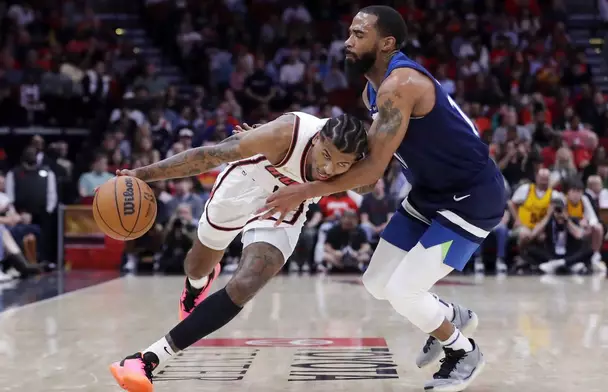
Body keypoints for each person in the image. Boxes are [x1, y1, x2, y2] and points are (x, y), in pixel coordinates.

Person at [259, 6, 505, 391]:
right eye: (350, 33)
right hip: (428, 193)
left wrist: (307, 190)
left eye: (359, 34)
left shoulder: (400, 86)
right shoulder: (372, 89)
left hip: (470, 198)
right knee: (377, 282)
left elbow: (372, 171)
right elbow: (369, 161)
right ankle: (447, 316)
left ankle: (463, 351)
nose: (348, 42)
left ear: (387, 42)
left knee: (403, 290)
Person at [109, 111, 369, 391]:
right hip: (243, 185)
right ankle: (198, 283)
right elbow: (209, 156)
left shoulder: (360, 167)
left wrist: (307, 190)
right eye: (326, 156)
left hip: (284, 208)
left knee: (247, 282)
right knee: (196, 266)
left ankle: (147, 359)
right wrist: (141, 175)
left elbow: (364, 183)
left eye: (342, 164)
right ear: (317, 138)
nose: (329, 169)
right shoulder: (284, 134)